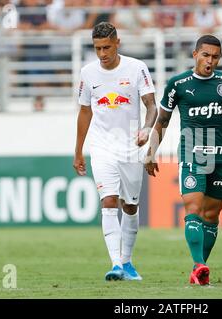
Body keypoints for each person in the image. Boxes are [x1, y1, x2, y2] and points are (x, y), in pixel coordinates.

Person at [144, 35, 222, 285]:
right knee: (193, 209)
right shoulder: (178, 84)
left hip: (220, 155)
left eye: (215, 57)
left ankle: (197, 268)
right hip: (192, 152)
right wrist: (151, 151)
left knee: (212, 216)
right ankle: (200, 264)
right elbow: (163, 121)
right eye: (205, 55)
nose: (209, 61)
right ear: (195, 54)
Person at [73, 22, 157, 281]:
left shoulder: (136, 68)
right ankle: (116, 265)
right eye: (97, 48)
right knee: (108, 202)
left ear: (117, 43)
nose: (102, 54)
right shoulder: (88, 73)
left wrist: (145, 129)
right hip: (101, 147)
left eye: (106, 47)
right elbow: (84, 112)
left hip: (131, 147)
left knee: (130, 206)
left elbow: (152, 106)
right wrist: (78, 151)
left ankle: (128, 262)